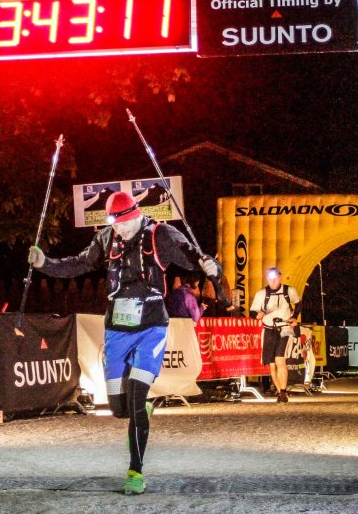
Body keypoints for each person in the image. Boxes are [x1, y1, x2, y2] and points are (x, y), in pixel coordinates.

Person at [28, 190, 224, 495]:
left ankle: (135, 471)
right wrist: (44, 263)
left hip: (152, 328)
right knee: (120, 409)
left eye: (122, 224)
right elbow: (78, 264)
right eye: (113, 225)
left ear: (134, 215)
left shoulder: (161, 235)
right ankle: (139, 410)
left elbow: (195, 260)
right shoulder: (107, 238)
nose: (118, 230)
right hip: (117, 328)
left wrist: (212, 267)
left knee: (136, 394)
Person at [249, 266, 302, 403]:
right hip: (268, 329)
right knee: (272, 365)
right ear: (267, 279)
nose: (273, 281)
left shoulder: (289, 291)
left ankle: (283, 391)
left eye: (275, 278)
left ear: (280, 277)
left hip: (284, 328)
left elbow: (299, 303)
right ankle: (280, 392)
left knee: (280, 360)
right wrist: (257, 314)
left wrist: (294, 317)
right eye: (270, 279)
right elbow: (252, 311)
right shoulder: (261, 294)